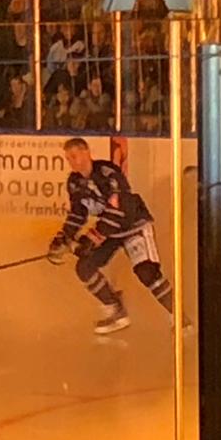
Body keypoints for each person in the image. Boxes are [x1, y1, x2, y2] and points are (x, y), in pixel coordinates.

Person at [46, 136, 173, 335]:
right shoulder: (74, 183)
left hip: (133, 226)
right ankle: (117, 310)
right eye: (68, 158)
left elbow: (118, 212)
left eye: (74, 156)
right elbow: (78, 213)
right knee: (85, 267)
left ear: (87, 153)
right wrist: (63, 238)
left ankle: (179, 316)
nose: (71, 162)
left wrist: (92, 238)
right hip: (110, 232)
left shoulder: (108, 173)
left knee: (146, 272)